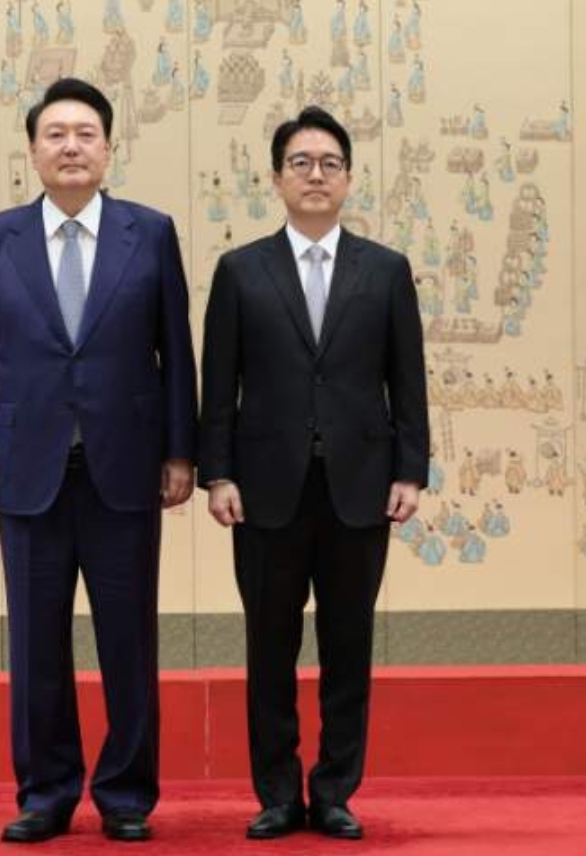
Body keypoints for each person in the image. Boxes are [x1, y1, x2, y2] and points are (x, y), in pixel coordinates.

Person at [0, 78, 197, 844]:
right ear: (32, 151)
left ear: (108, 147)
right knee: (35, 645)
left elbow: (175, 351)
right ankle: (45, 792)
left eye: (85, 133)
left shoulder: (148, 233)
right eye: (54, 134)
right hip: (28, 469)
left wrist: (180, 451)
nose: (70, 146)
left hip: (125, 468)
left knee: (128, 641)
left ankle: (126, 794)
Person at [198, 107, 429, 841]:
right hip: (265, 490)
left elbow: (408, 380)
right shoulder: (240, 271)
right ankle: (275, 793)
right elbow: (218, 385)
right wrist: (217, 474)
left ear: (349, 178)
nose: (316, 175)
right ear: (276, 178)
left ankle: (333, 791)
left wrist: (411, 472)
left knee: (347, 646)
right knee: (268, 648)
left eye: (330, 163)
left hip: (360, 488)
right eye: (300, 162)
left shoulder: (384, 270)